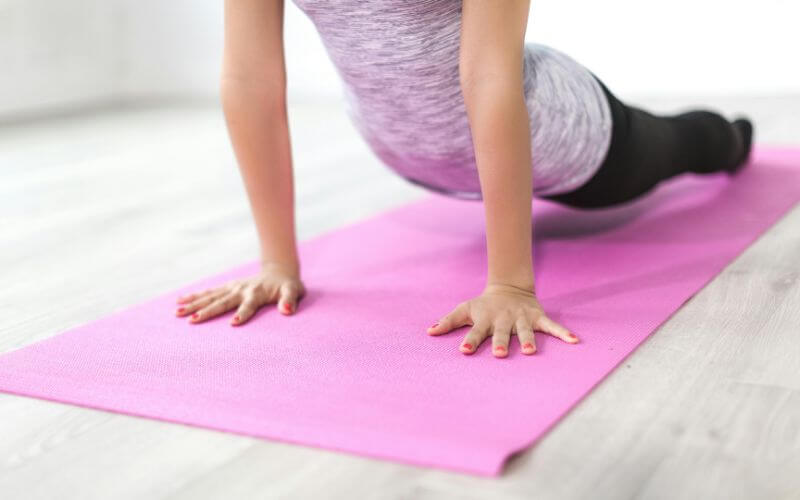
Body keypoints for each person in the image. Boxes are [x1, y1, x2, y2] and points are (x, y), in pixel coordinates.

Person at [174, 0, 753, 358]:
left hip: (562, 134)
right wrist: (278, 264)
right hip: (413, 152)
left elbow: (490, 78)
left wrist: (510, 286)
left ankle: (729, 137)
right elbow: (250, 80)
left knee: (685, 144)